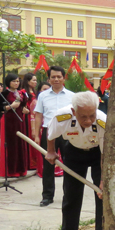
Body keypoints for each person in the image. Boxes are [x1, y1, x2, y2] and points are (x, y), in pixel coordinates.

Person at [46, 91, 105, 230]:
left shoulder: (102, 121)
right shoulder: (62, 117)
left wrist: (103, 180)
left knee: (102, 195)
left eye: (91, 115)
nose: (88, 120)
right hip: (73, 152)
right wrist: (51, 151)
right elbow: (51, 134)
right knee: (71, 194)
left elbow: (105, 153)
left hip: (97, 154)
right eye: (83, 116)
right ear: (73, 112)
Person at [34, 66, 74, 207]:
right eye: (53, 77)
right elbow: (38, 115)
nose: (56, 79)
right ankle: (47, 196)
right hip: (49, 132)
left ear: (64, 78)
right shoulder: (43, 96)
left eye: (59, 77)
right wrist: (36, 134)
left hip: (67, 133)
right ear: (49, 79)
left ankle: (69, 196)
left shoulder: (72, 96)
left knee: (69, 164)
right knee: (48, 164)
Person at [0, 73, 29, 177]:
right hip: (8, 121)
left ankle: (21, 170)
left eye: (18, 81)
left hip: (19, 120)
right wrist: (10, 107)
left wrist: (25, 110)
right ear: (8, 82)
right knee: (11, 144)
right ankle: (11, 171)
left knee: (20, 143)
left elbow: (23, 105)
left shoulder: (21, 93)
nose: (16, 83)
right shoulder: (4, 94)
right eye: (14, 81)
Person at [21, 73, 39, 170]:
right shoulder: (23, 92)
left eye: (36, 80)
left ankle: (36, 162)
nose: (35, 82)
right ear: (28, 81)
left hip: (36, 117)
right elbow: (21, 105)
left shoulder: (35, 92)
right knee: (30, 138)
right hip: (28, 118)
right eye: (33, 80)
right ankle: (30, 163)